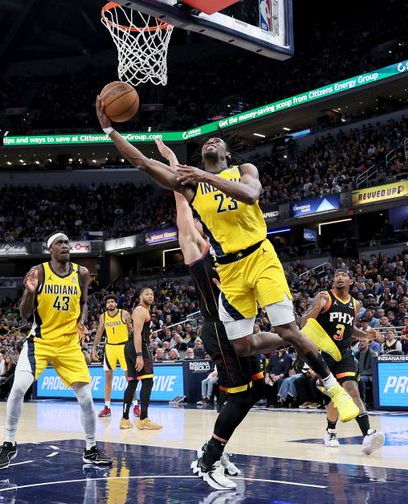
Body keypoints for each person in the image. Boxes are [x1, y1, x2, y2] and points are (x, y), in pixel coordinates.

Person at [97, 100, 359, 424]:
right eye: (206, 142)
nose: (209, 142)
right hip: (230, 269)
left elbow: (249, 195)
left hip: (260, 256)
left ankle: (334, 389)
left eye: (215, 140)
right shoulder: (192, 186)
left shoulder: (245, 171)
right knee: (243, 345)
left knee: (285, 327)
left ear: (227, 154)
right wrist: (110, 130)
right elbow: (143, 164)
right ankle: (310, 335)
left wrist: (205, 177)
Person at [153, 138, 264, 489]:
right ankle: (208, 459)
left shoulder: (228, 247)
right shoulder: (196, 248)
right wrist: (172, 158)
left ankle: (220, 448)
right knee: (242, 395)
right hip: (218, 329)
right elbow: (180, 199)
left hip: (240, 324)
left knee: (253, 391)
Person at [0, 232, 112, 470]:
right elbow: (25, 314)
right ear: (50, 249)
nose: (65, 245)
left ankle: (90, 449)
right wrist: (29, 291)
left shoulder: (82, 273)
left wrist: (81, 322)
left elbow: (84, 302)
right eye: (60, 243)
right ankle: (9, 443)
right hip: (41, 342)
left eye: (67, 242)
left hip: (68, 344)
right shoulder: (38, 272)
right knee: (17, 390)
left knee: (87, 399)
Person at [302, 269, 384, 453]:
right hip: (324, 354)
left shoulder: (355, 304)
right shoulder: (324, 297)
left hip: (344, 353)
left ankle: (368, 434)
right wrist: (317, 307)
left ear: (351, 281)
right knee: (337, 395)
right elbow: (304, 323)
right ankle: (330, 431)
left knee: (352, 391)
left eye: (344, 275)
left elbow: (349, 328)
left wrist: (365, 335)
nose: (340, 278)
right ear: (333, 281)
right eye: (336, 276)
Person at [122, 287, 162, 430]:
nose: (150, 296)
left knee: (132, 383)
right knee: (147, 381)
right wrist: (139, 355)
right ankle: (143, 419)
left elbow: (141, 332)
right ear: (140, 296)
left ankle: (125, 419)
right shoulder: (140, 310)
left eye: (152, 294)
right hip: (138, 348)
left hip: (130, 347)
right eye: (147, 294)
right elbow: (137, 334)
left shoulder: (143, 311)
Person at [91, 295, 137, 419]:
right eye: (108, 302)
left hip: (124, 347)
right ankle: (107, 407)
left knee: (130, 378)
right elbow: (99, 332)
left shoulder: (124, 314)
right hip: (110, 348)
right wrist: (94, 348)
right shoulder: (103, 316)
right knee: (108, 378)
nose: (110, 304)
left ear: (116, 303)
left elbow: (132, 329)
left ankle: (135, 405)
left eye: (112, 301)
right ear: (106, 305)